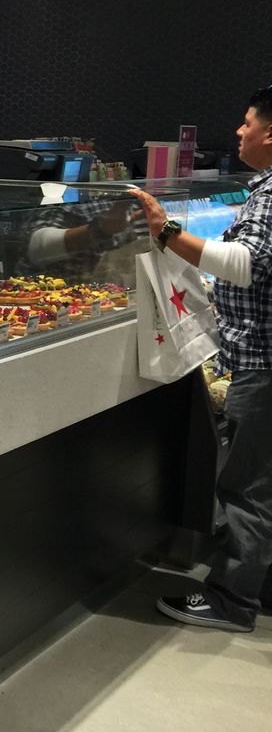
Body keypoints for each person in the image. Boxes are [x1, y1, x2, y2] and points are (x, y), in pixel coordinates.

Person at [130, 84, 272, 632]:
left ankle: (233, 602)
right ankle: (256, 583)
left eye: (247, 122)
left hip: (264, 361)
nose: (239, 131)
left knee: (248, 487)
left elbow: (245, 264)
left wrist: (166, 231)